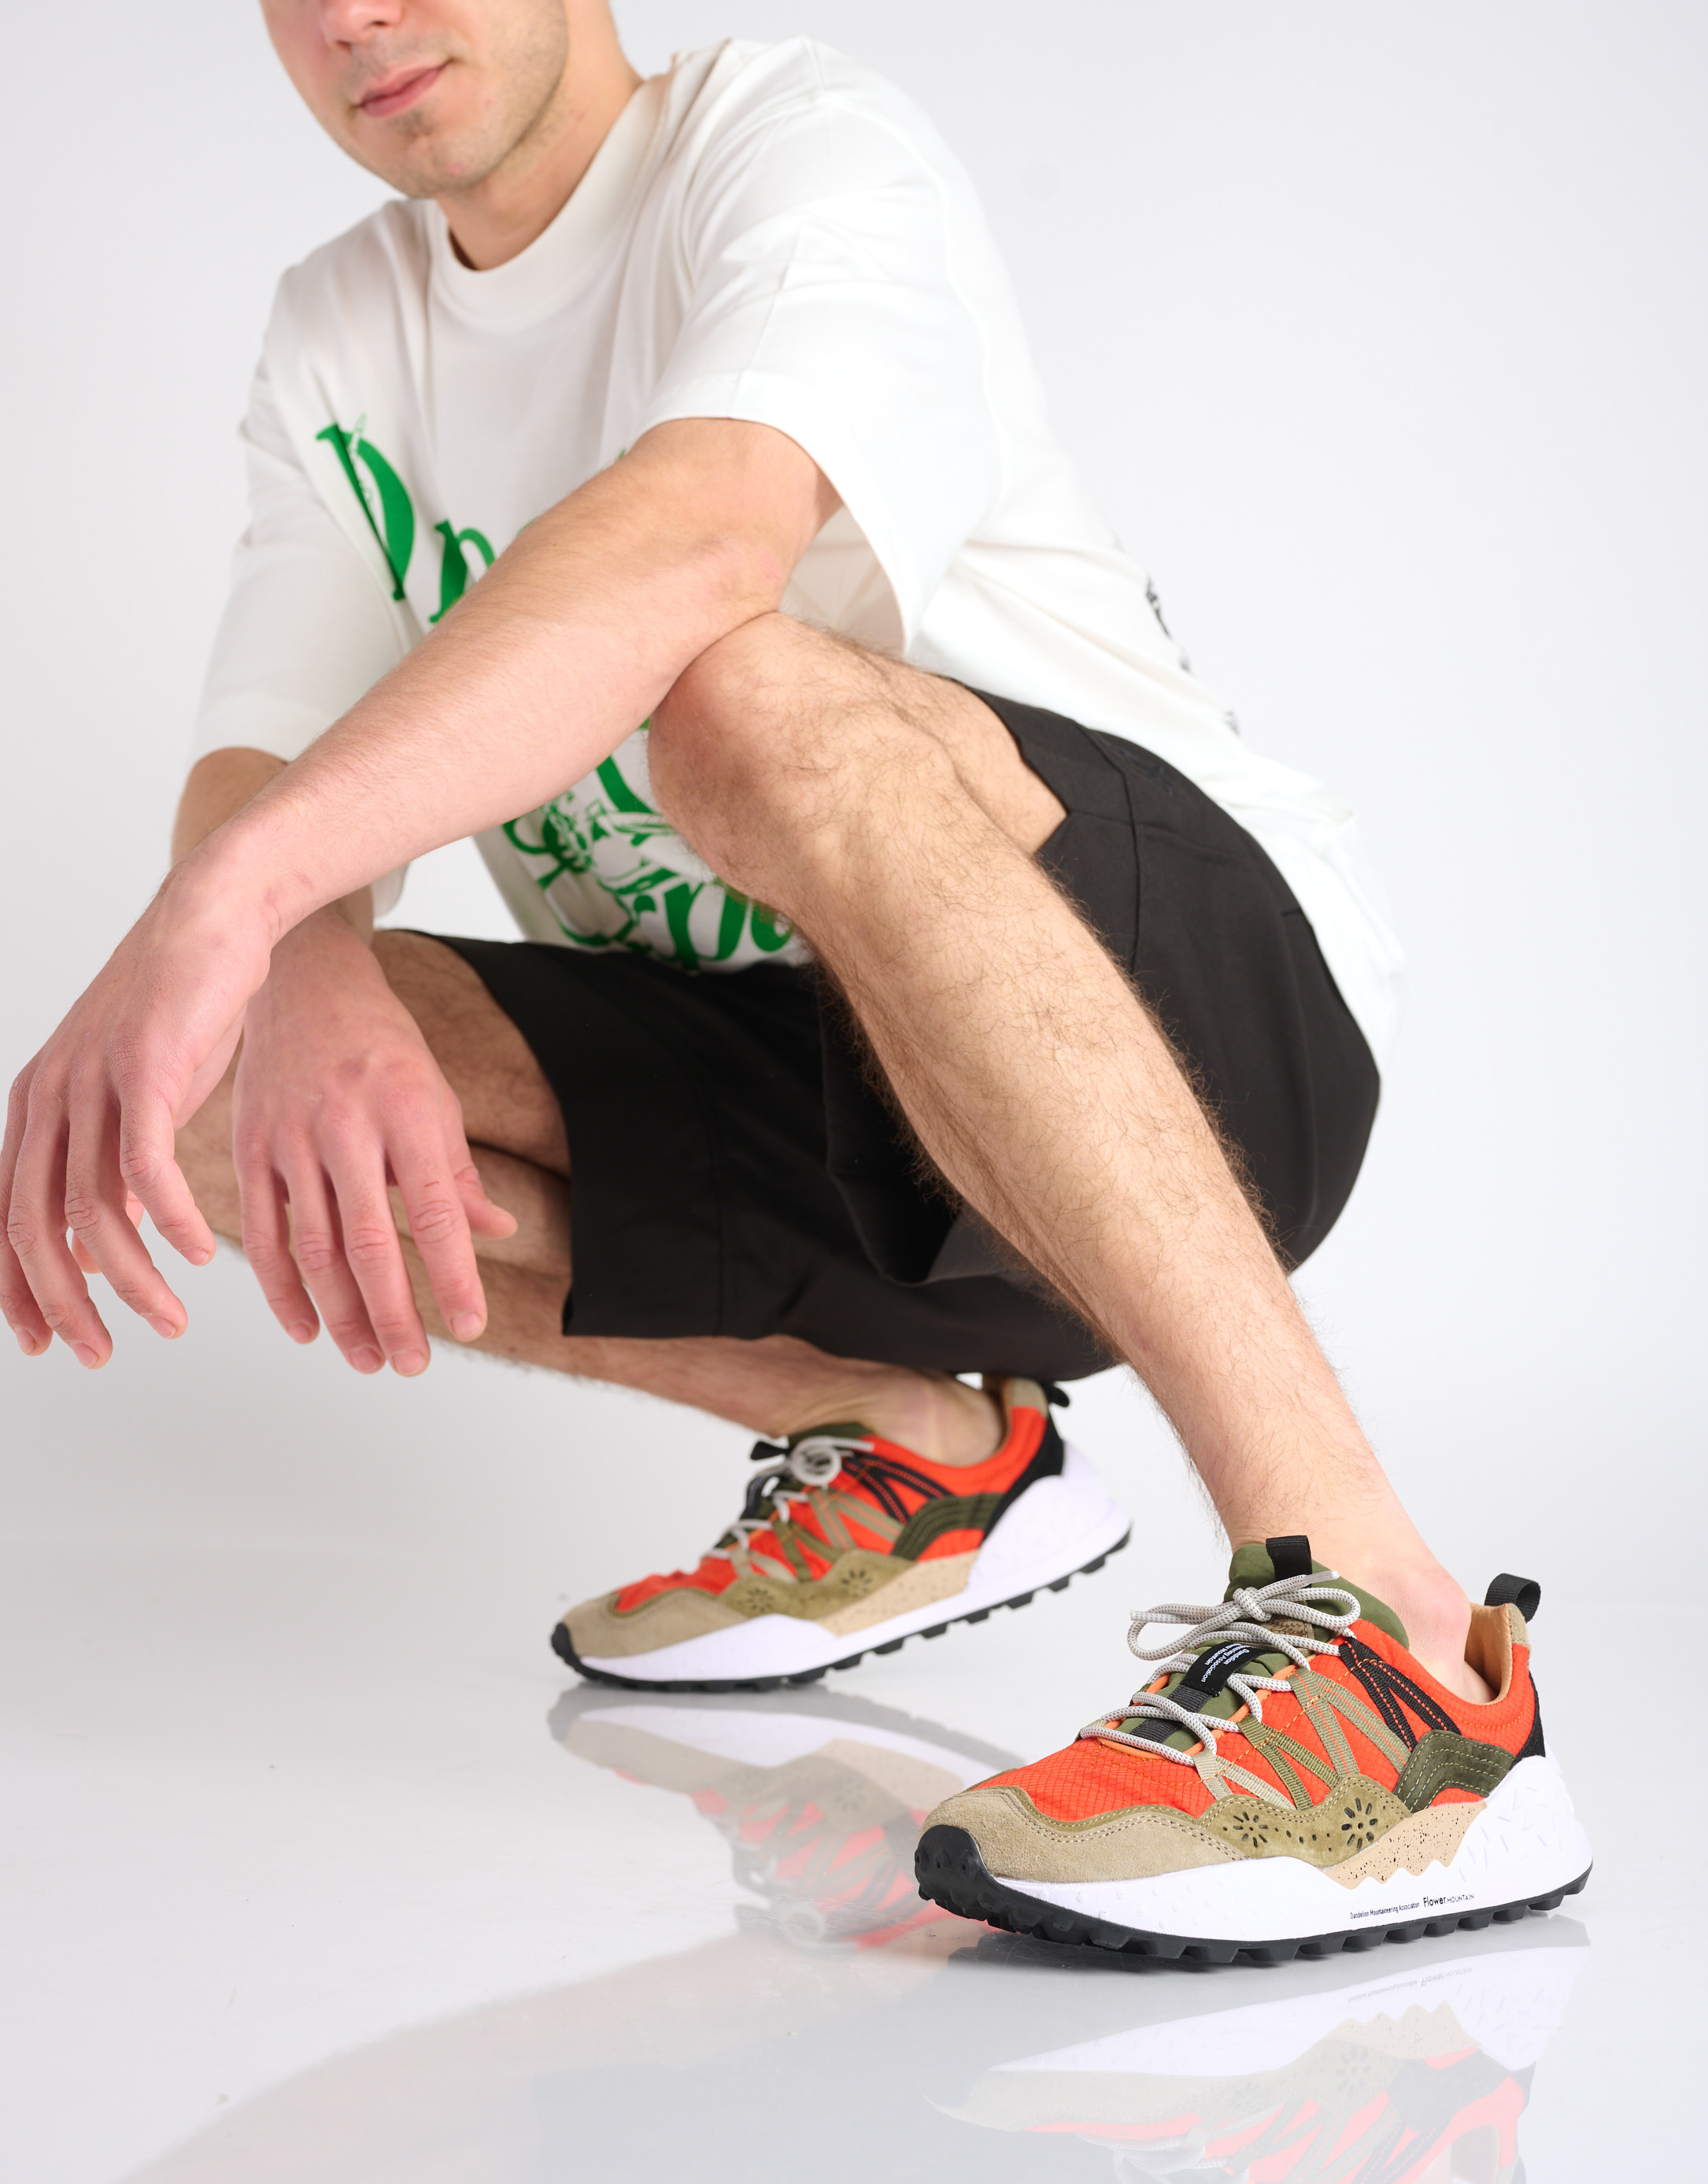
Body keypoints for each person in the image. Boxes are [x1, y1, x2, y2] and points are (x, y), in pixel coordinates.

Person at [0, 0, 1588, 1954]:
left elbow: (702, 537)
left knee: (732, 694)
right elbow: (263, 746)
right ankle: (930, 1451)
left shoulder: (791, 143)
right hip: (850, 1119)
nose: (353, 14)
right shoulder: (342, 326)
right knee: (205, 1092)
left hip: (1200, 1038)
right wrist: (284, 956)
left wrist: (234, 903)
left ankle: (1400, 1653)